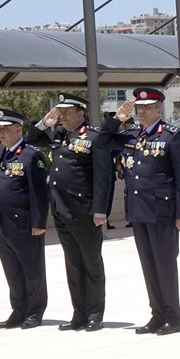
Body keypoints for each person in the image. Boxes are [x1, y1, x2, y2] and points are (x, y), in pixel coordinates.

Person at [98, 87, 180, 335]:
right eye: (138, 108)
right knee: (149, 265)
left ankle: (173, 316)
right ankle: (157, 314)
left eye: (146, 108)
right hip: (138, 211)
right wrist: (115, 120)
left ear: (158, 109)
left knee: (165, 264)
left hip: (162, 211)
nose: (140, 112)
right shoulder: (130, 134)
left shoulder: (172, 136)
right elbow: (101, 142)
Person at [27, 93, 113, 331]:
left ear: (80, 113)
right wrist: (45, 123)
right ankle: (79, 313)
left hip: (84, 210)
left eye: (66, 112)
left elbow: (103, 176)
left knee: (91, 263)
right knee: (73, 264)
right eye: (60, 112)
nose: (62, 116)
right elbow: (33, 137)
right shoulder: (58, 135)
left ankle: (95, 313)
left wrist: (100, 210)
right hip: (61, 209)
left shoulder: (94, 136)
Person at [0, 109, 50, 330]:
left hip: (24, 224)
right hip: (0, 223)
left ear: (19, 129)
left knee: (32, 271)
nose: (2, 133)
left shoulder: (30, 155)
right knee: (12, 272)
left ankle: (34, 312)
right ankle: (18, 310)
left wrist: (39, 224)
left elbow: (39, 194)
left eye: (6, 129)